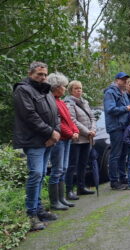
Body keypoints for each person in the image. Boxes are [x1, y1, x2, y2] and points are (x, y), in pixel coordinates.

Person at [13, 61, 59, 230]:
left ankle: (39, 210)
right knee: (36, 174)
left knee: (41, 176)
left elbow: (56, 114)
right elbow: (30, 116)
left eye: (45, 74)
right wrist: (50, 133)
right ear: (30, 73)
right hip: (33, 140)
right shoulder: (22, 90)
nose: (43, 77)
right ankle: (31, 214)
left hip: (48, 139)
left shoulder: (45, 89)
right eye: (39, 74)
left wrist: (56, 132)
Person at [47, 73, 79, 211]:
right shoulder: (52, 102)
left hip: (66, 140)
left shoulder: (60, 101)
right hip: (59, 140)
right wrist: (71, 133)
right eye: (64, 86)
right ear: (56, 87)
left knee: (63, 169)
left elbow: (69, 120)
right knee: (57, 170)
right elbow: (58, 123)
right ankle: (55, 201)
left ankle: (62, 199)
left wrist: (75, 130)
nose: (65, 89)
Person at [64, 80, 97, 198]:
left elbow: (92, 117)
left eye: (80, 88)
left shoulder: (85, 102)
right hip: (76, 139)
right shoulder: (68, 103)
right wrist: (87, 131)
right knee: (72, 165)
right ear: (71, 90)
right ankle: (68, 190)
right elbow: (72, 120)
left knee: (83, 163)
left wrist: (93, 130)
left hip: (88, 138)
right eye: (76, 88)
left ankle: (81, 187)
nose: (79, 90)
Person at [104, 72, 130, 189]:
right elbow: (110, 109)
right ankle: (114, 181)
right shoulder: (110, 92)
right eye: (123, 80)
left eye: (126, 80)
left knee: (123, 154)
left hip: (124, 127)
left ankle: (123, 177)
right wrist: (126, 108)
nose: (125, 82)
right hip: (115, 127)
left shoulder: (123, 93)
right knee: (115, 155)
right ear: (117, 80)